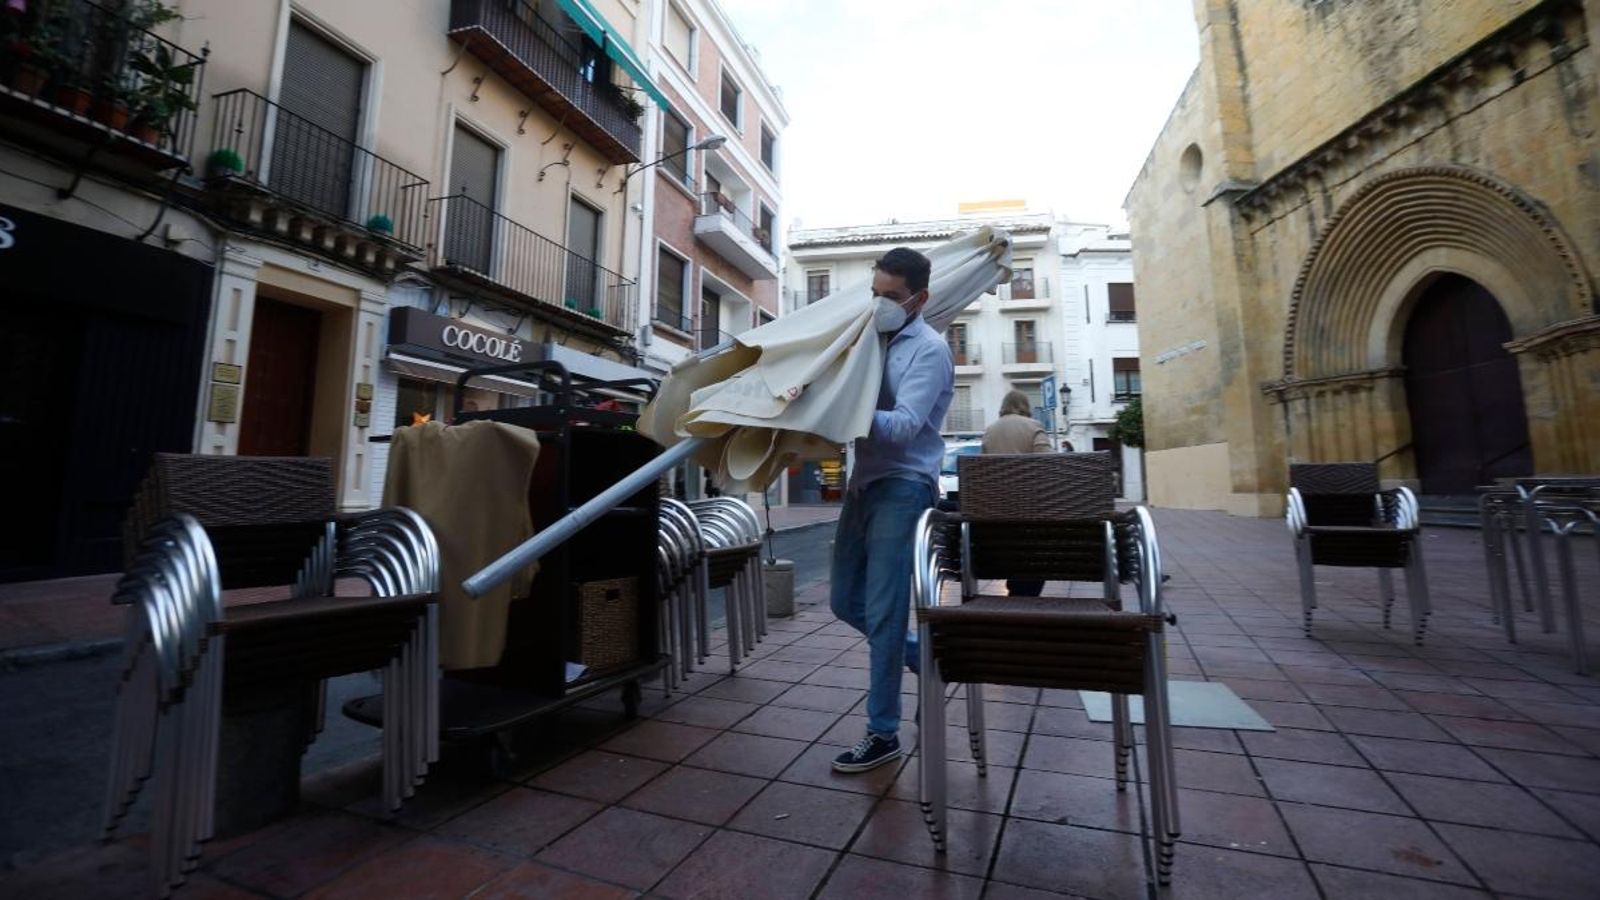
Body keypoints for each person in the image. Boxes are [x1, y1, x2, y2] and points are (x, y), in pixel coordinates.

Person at [829, 247, 953, 773]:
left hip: (904, 487)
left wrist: (838, 408)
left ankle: (883, 732)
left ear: (919, 299)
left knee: (882, 612)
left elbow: (904, 428)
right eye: (875, 293)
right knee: (842, 601)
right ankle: (922, 657)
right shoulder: (868, 338)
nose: (880, 304)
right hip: (864, 485)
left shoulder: (929, 350)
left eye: (892, 297)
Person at [982, 390, 1052, 596]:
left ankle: (1017, 590)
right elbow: (1049, 466)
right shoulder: (1034, 427)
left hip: (996, 518)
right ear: (1025, 407)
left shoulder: (989, 431)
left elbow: (984, 473)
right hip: (1030, 515)